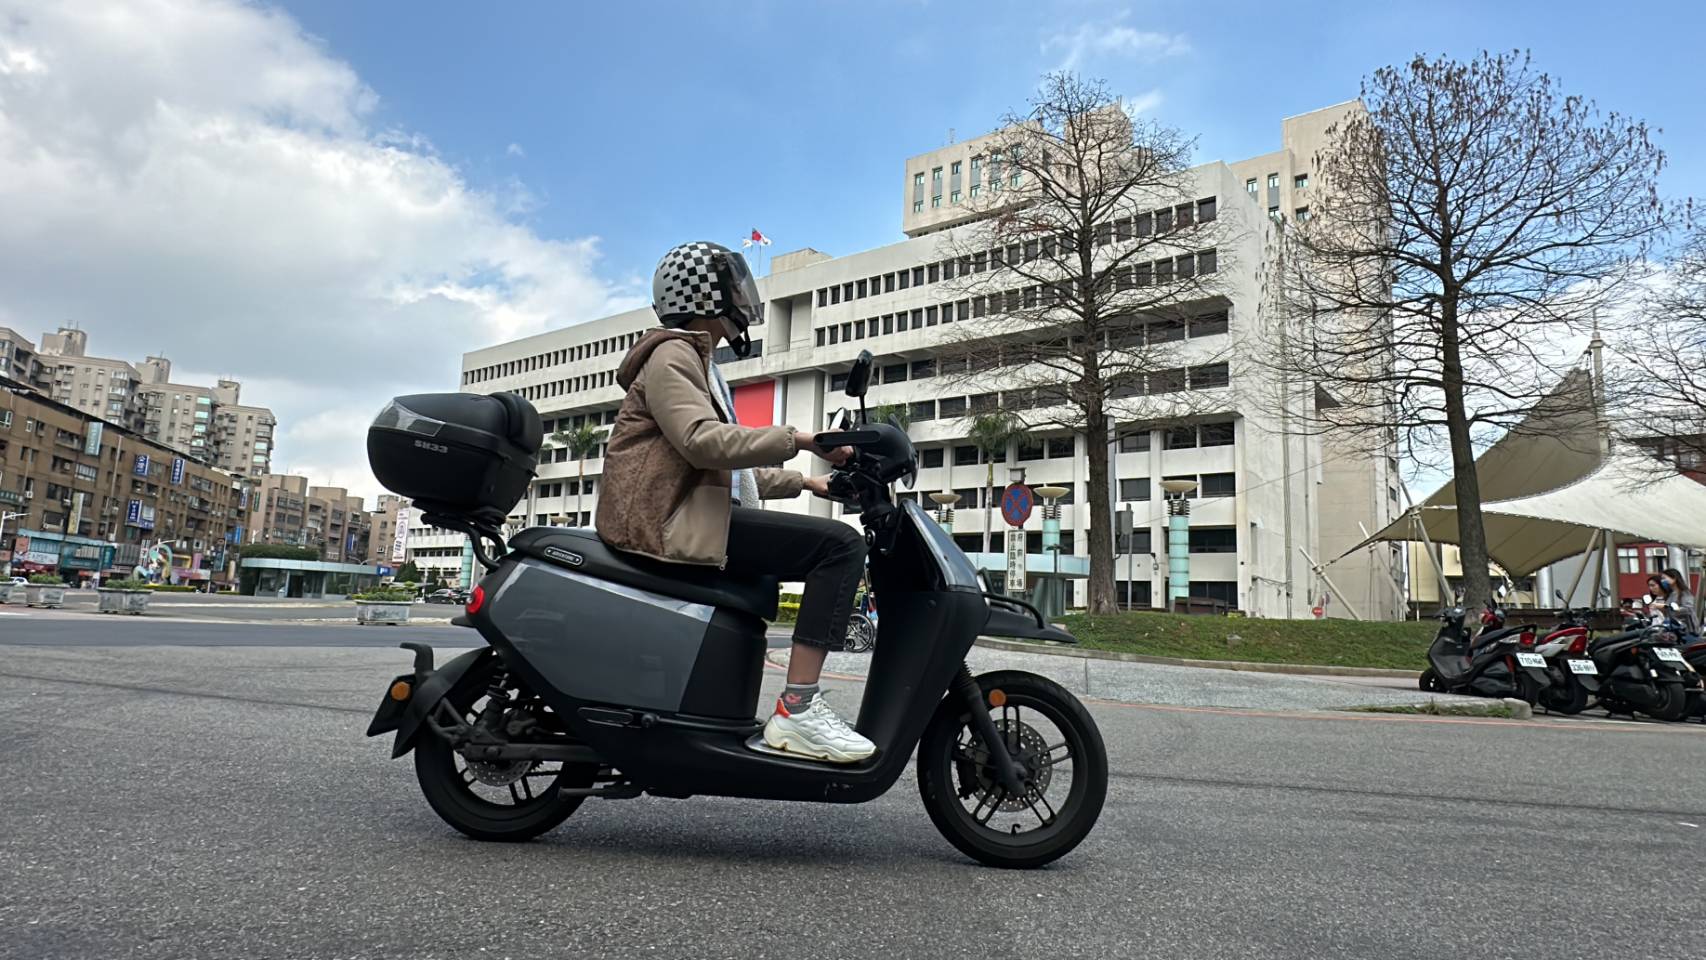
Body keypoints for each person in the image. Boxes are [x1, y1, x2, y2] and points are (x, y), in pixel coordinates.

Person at [597, 241, 876, 763]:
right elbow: (702, 441)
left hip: (687, 514)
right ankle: (799, 709)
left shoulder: (702, 362)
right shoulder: (672, 354)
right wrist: (801, 439)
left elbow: (731, 473)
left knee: (821, 547)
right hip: (665, 524)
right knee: (839, 547)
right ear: (703, 295)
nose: (743, 298)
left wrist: (809, 484)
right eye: (733, 287)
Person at [1659, 567, 1700, 636]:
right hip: (1674, 630)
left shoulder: (1684, 593)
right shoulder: (1670, 595)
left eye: (1664, 578)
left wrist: (1669, 607)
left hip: (1687, 630)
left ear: (1674, 578)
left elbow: (1688, 609)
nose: (1662, 581)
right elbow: (1669, 614)